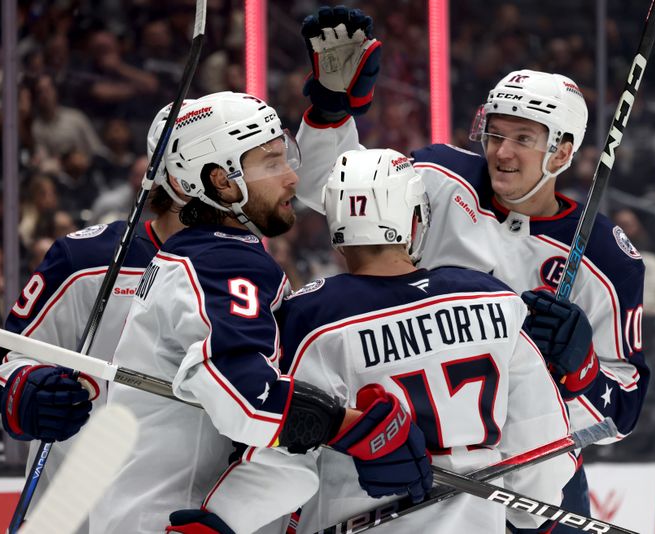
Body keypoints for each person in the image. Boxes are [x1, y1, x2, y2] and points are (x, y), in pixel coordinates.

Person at [292, 7, 648, 532]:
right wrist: (330, 111)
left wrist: (582, 371)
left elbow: (624, 411)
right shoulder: (439, 177)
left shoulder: (606, 257)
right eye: (495, 133)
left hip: (537, 462)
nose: (501, 152)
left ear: (562, 152)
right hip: (422, 452)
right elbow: (328, 188)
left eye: (523, 139)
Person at [89, 93, 432, 534]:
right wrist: (355, 429)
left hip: (161, 513)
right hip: (174, 518)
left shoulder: (199, 254)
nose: (292, 177)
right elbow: (246, 398)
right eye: (270, 162)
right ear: (222, 182)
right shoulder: (223, 262)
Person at [186, 148, 576, 533]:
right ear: (414, 219)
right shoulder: (493, 298)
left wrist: (222, 521)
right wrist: (532, 519)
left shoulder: (313, 317)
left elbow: (285, 457)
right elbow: (541, 447)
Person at [0, 99, 191, 531]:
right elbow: (9, 360)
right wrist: (27, 390)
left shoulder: (252, 274)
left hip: (187, 511)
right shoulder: (86, 259)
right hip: (75, 513)